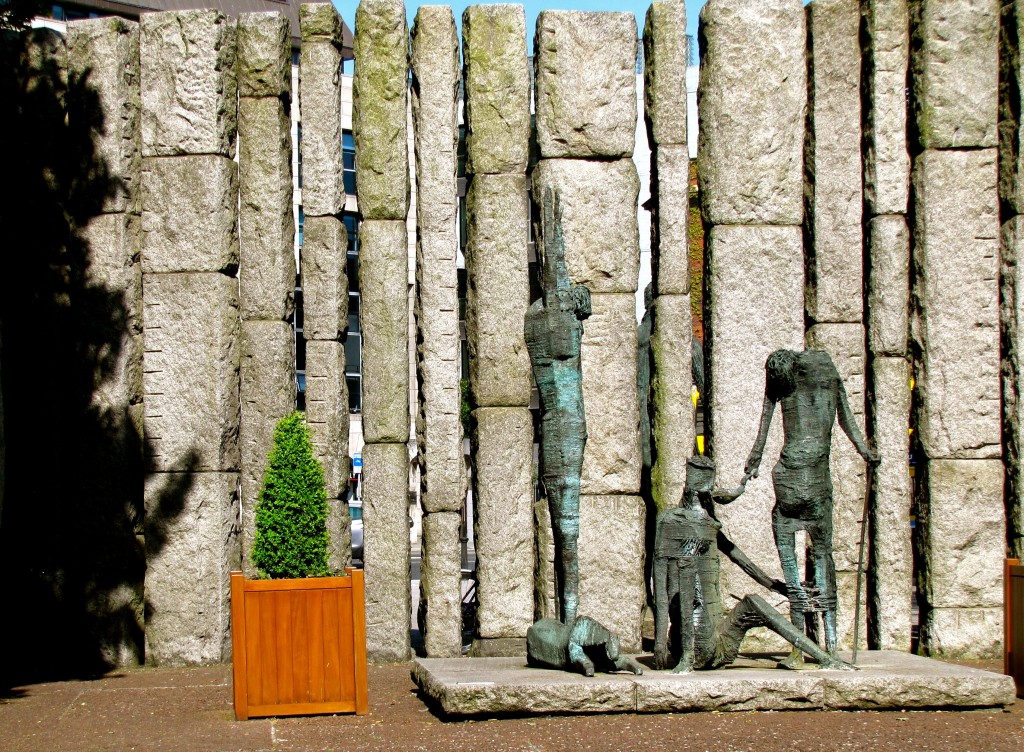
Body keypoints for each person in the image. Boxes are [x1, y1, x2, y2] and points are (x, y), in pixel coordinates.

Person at [739, 349, 879, 667]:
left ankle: (799, 648)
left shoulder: (781, 381)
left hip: (789, 479)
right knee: (822, 560)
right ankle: (829, 643)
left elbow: (763, 430)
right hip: (815, 481)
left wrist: (749, 469)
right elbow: (847, 421)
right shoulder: (828, 376)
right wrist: (865, 451)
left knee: (794, 575)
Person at [652, 455, 854, 673]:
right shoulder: (670, 521)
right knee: (688, 569)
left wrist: (776, 586)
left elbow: (742, 561)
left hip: (718, 644)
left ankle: (824, 658)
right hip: (691, 643)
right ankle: (687, 660)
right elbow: (660, 579)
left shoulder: (709, 526)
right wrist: (660, 641)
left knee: (751, 604)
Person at [524, 189, 592, 624]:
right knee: (568, 530)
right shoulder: (557, 323)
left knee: (562, 527)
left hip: (556, 429)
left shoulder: (535, 317)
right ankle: (568, 617)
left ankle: (567, 616)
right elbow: (568, 329)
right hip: (567, 428)